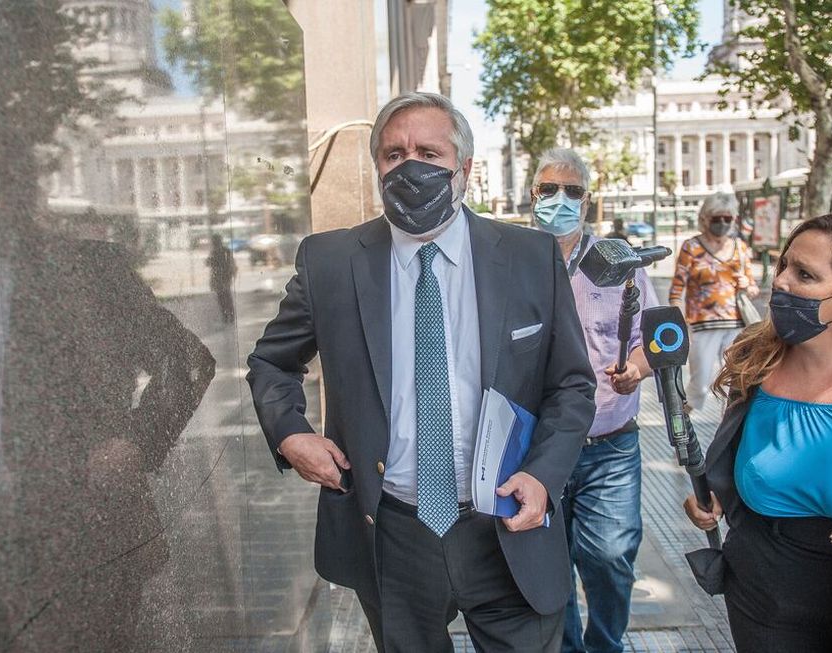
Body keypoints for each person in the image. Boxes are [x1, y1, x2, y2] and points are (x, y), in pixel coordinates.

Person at [247, 92, 597, 651]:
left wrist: (543, 475)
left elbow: (573, 385)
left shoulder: (532, 256)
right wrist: (291, 434)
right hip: (392, 532)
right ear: (377, 167)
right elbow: (271, 361)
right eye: (393, 154)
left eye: (429, 153)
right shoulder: (330, 261)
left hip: (507, 522)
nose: (411, 167)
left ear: (464, 169)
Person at [0, 116, 215, 650]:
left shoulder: (88, 272)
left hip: (76, 545)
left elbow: (187, 361)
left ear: (13, 184)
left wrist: (135, 441)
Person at [683, 214, 832, 652]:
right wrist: (712, 496)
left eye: (805, 275)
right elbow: (733, 458)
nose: (782, 283)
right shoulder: (756, 358)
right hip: (762, 595)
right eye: (783, 266)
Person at [529, 148, 659, 653]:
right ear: (532, 194)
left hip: (611, 443)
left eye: (573, 191)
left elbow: (651, 340)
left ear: (588, 200)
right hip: (538, 446)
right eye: (548, 189)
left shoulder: (621, 263)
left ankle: (607, 644)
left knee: (609, 556)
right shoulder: (512, 261)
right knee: (548, 562)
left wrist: (636, 370)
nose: (559, 200)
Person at [668, 192, 759, 413]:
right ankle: (680, 438)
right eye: (716, 219)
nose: (722, 223)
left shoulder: (740, 248)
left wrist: (747, 284)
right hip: (702, 326)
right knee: (699, 385)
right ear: (705, 218)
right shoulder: (692, 247)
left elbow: (753, 289)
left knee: (735, 386)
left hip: (736, 325)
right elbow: (676, 290)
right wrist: (681, 326)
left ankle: (729, 439)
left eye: (727, 219)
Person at [207, 234, 237, 324]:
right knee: (223, 298)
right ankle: (227, 316)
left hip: (223, 278)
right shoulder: (217, 252)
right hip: (220, 279)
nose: (214, 243)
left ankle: (229, 316)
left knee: (225, 297)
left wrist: (230, 274)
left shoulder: (223, 251)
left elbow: (230, 264)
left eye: (215, 241)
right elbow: (209, 263)